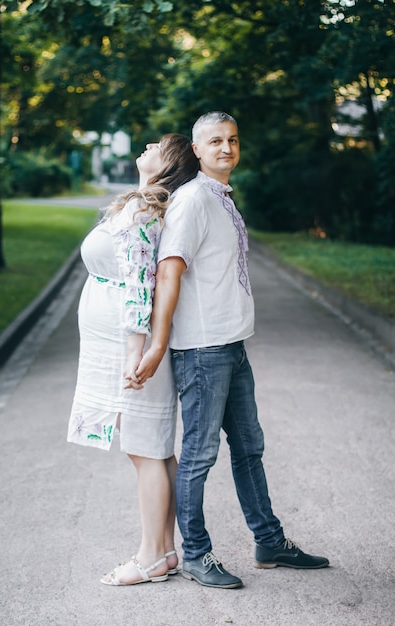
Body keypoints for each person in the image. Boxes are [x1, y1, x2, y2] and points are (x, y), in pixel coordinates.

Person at [134, 112, 329, 589]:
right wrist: (159, 345)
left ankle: (269, 541)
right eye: (216, 141)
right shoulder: (193, 200)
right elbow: (168, 271)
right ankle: (196, 554)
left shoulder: (220, 198)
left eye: (233, 139)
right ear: (197, 150)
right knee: (199, 456)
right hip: (202, 349)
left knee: (249, 449)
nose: (227, 147)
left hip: (231, 344)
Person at [67, 134, 199, 586]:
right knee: (150, 448)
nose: (146, 145)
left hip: (130, 345)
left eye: (156, 144)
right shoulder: (139, 203)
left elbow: (142, 285)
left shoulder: (146, 211)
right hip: (119, 341)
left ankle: (150, 557)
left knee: (146, 448)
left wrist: (135, 352)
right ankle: (165, 550)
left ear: (168, 163)